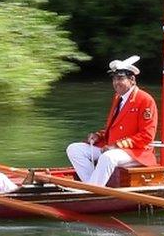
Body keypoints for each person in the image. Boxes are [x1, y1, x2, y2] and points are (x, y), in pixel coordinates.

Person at [66, 56, 158, 186]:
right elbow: (113, 126)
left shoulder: (145, 100)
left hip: (136, 152)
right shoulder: (118, 98)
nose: (116, 82)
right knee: (74, 149)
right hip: (110, 146)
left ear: (132, 80)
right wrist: (98, 136)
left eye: (120, 78)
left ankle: (94, 189)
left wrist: (117, 146)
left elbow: (146, 136)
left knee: (108, 157)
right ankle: (93, 185)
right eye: (114, 79)